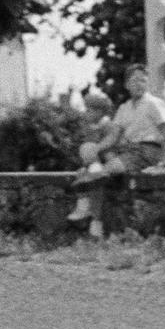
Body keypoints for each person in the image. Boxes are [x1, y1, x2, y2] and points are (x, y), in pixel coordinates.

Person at [69, 64, 165, 240]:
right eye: (134, 80)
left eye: (143, 80)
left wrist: (164, 162)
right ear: (127, 84)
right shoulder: (124, 108)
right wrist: (97, 148)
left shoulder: (154, 104)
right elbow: (114, 136)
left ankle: (84, 201)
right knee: (94, 171)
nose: (139, 84)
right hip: (129, 151)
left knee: (103, 171)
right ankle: (95, 221)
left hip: (147, 150)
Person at [66, 90, 114, 227]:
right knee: (82, 174)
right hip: (95, 164)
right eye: (87, 110)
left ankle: (96, 220)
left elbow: (110, 145)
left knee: (96, 181)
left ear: (100, 112)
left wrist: (97, 154)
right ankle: (83, 206)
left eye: (90, 110)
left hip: (106, 162)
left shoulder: (108, 126)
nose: (86, 113)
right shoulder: (90, 128)